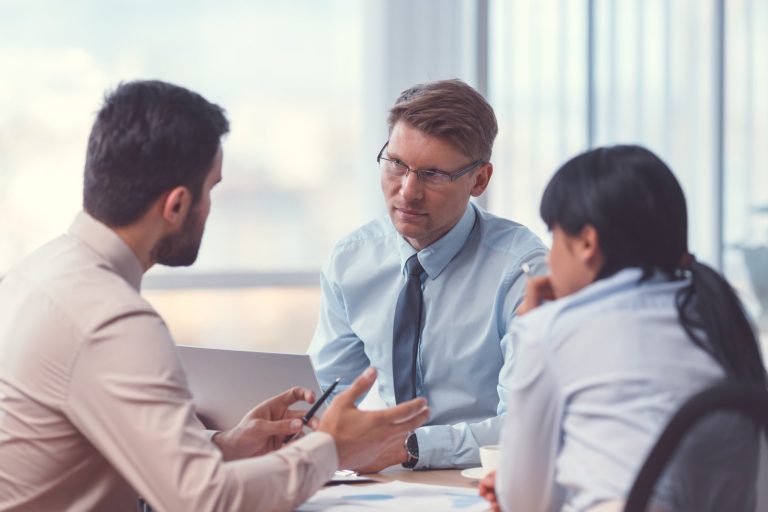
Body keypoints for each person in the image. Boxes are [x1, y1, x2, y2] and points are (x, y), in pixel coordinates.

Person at [0, 80, 429, 511]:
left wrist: (224, 445)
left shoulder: (34, 276)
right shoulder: (112, 321)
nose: (210, 208)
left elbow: (98, 446)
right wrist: (332, 449)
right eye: (211, 189)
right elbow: (207, 501)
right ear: (177, 205)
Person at [478, 145, 767, 511]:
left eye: (554, 237)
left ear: (586, 243)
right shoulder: (718, 316)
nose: (549, 259)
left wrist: (531, 327)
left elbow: (525, 503)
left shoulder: (552, 330)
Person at [308, 79, 548, 470]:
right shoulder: (352, 260)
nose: (407, 191)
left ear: (480, 180)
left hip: (482, 484)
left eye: (433, 174)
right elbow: (325, 394)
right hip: (383, 484)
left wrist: (409, 447)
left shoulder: (523, 272)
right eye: (397, 164)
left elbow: (527, 425)